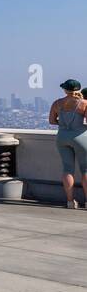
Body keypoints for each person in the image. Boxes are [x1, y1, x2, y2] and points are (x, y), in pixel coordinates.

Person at [51, 79, 87, 209]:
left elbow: (52, 121)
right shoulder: (84, 103)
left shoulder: (57, 103)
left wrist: (63, 123)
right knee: (85, 170)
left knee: (67, 169)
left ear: (65, 90)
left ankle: (70, 202)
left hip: (62, 137)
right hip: (81, 137)